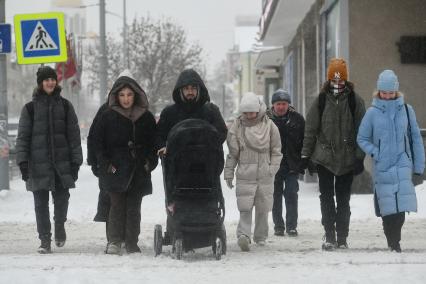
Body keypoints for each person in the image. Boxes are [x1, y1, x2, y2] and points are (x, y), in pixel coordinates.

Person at [300, 58, 366, 250]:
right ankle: (329, 234)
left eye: (341, 80)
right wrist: (306, 156)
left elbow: (363, 132)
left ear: (346, 80)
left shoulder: (355, 101)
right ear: (329, 80)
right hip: (324, 159)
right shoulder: (320, 100)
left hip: (347, 159)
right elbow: (310, 130)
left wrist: (359, 157)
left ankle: (342, 236)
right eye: (334, 80)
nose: (337, 84)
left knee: (344, 199)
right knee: (326, 197)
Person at [15, 66, 83, 254]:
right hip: (38, 165)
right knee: (40, 204)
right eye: (46, 80)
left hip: (61, 164)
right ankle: (45, 239)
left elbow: (74, 137)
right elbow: (23, 138)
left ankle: (59, 226)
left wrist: (76, 162)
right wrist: (23, 162)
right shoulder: (29, 109)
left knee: (62, 199)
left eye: (52, 79)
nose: (50, 82)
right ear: (40, 83)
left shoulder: (66, 106)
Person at [155, 69, 227, 242]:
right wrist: (161, 147)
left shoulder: (210, 111)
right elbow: (158, 135)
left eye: (193, 88)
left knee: (208, 196)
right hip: (177, 169)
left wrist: (211, 144)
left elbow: (221, 132)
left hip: (206, 167)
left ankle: (210, 227)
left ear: (199, 89)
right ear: (180, 90)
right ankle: (175, 226)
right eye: (186, 88)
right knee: (177, 197)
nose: (190, 91)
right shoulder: (170, 113)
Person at [357, 70, 424, 252]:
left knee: (401, 206)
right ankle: (392, 241)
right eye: (384, 93)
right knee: (388, 207)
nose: (387, 96)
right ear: (379, 92)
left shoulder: (407, 110)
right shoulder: (372, 113)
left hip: (403, 163)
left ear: (396, 91)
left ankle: (396, 240)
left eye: (391, 93)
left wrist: (418, 166)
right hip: (383, 164)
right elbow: (362, 138)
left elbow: (415, 139)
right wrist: (376, 152)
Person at [93, 71, 158, 254]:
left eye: (129, 94)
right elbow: (98, 143)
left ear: (135, 94)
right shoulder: (107, 116)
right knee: (116, 206)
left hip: (138, 169)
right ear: (116, 96)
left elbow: (153, 142)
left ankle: (131, 242)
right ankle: (114, 241)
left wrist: (149, 162)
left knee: (134, 208)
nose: (126, 99)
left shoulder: (145, 117)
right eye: (122, 95)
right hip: (115, 169)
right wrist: (105, 164)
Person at [224, 92, 282, 251]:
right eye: (246, 112)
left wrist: (272, 169)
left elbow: (277, 151)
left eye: (252, 112)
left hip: (265, 174)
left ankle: (260, 236)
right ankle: (243, 235)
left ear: (258, 110)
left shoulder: (270, 126)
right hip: (245, 173)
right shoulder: (237, 126)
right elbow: (233, 154)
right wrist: (228, 172)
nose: (249, 115)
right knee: (245, 207)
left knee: (263, 209)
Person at [267, 89, 305, 237]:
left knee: (291, 194)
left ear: (288, 105)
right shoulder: (266, 120)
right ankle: (278, 226)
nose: (281, 107)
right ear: (273, 105)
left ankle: (291, 226)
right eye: (278, 104)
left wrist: (303, 161)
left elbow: (304, 140)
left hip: (291, 164)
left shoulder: (298, 119)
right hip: (273, 165)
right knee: (275, 196)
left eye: (284, 104)